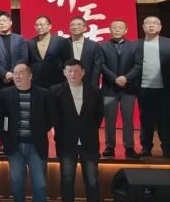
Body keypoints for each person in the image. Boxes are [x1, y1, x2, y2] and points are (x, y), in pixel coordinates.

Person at [51, 59, 109, 202]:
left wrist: (86, 130)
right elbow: (54, 116)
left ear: (83, 72)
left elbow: (99, 115)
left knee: (92, 181)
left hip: (89, 142)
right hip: (66, 142)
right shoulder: (55, 91)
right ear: (64, 72)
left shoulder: (95, 91)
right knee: (67, 180)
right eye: (69, 71)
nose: (73, 74)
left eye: (76, 71)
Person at [0, 62, 55, 202]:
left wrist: (38, 130)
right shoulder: (5, 94)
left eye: (21, 73)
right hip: (14, 146)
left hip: (36, 145)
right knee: (17, 182)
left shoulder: (43, 94)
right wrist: (5, 140)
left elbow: (51, 117)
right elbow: (1, 120)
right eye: (15, 73)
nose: (17, 76)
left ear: (30, 76)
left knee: (40, 183)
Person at [100, 20, 141, 158]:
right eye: (114, 27)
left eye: (120, 27)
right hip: (109, 88)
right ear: (110, 29)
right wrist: (115, 78)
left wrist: (126, 78)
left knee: (128, 119)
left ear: (126, 30)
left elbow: (138, 65)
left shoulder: (134, 46)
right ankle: (109, 147)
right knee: (109, 119)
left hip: (128, 88)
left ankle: (129, 147)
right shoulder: (102, 46)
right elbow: (102, 65)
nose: (117, 30)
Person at [135, 16, 170, 157]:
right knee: (145, 120)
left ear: (160, 27)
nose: (151, 25)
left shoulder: (168, 43)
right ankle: (146, 148)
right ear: (143, 27)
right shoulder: (136, 45)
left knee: (165, 120)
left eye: (155, 23)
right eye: (148, 23)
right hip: (144, 89)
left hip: (164, 89)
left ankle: (167, 148)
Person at [26, 15, 72, 88]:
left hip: (57, 82)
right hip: (36, 83)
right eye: (36, 25)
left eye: (42, 25)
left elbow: (68, 61)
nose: (39, 27)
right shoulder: (29, 43)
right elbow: (27, 62)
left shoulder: (61, 41)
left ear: (50, 26)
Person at [0, 10, 28, 90]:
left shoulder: (20, 39)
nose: (1, 23)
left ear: (10, 22)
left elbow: (24, 58)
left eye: (4, 20)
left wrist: (12, 73)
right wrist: (5, 74)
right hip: (0, 81)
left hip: (18, 80)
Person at [68, 16, 101, 87]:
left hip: (87, 84)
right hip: (67, 84)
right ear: (70, 28)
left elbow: (96, 68)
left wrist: (93, 86)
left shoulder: (93, 45)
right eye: (72, 25)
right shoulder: (63, 43)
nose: (75, 27)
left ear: (85, 28)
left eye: (79, 24)